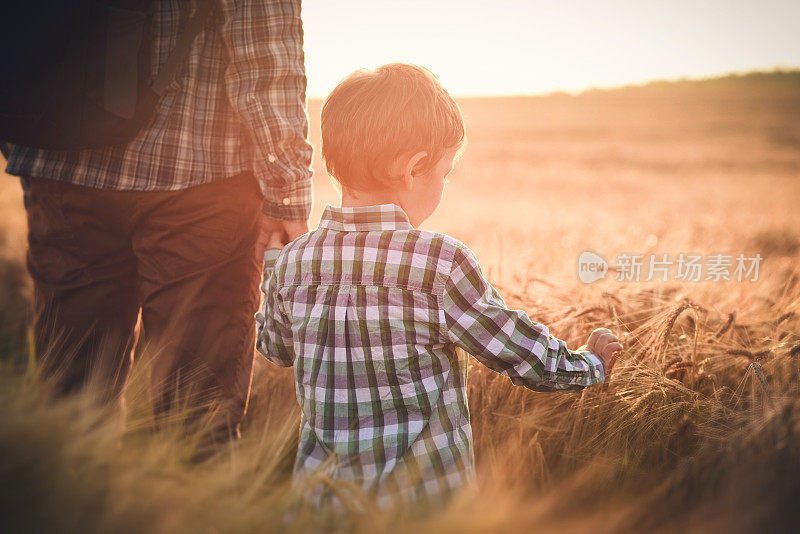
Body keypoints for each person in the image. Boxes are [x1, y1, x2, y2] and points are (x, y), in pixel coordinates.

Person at [255, 63, 623, 510]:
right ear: (414, 168)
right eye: (445, 172)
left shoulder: (296, 262)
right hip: (422, 507)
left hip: (323, 507)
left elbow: (275, 348)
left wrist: (274, 264)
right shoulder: (439, 264)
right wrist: (589, 365)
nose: (444, 183)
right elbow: (522, 354)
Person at [3, 0, 313, 443]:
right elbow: (261, 34)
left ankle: (75, 506)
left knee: (71, 403)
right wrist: (287, 187)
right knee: (197, 417)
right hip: (200, 176)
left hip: (63, 166)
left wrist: (30, 150)